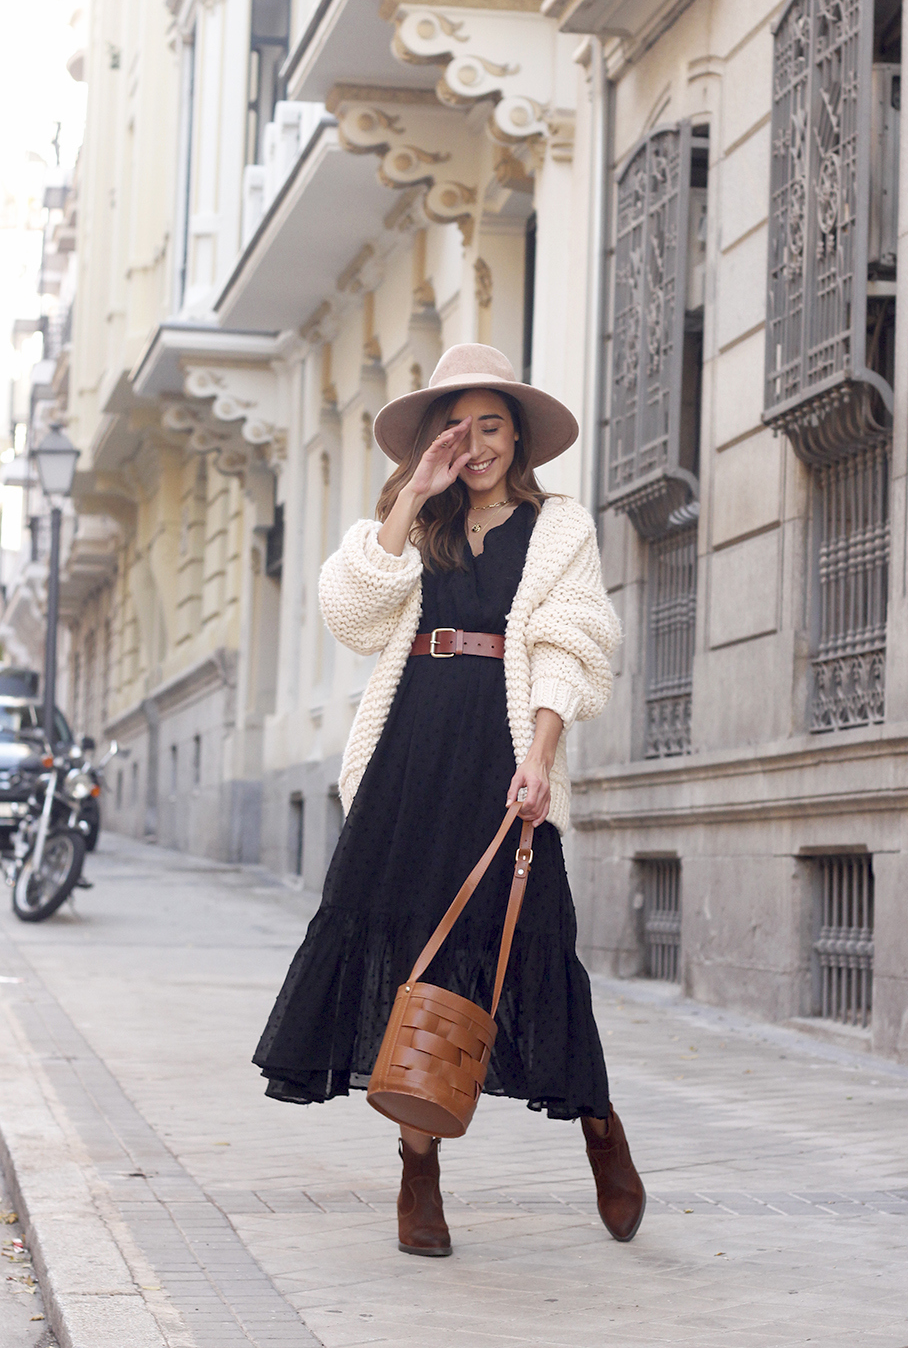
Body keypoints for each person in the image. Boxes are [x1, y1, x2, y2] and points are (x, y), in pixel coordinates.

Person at [253, 343, 645, 1256]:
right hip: (408, 755)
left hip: (503, 753)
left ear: (520, 436)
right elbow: (350, 617)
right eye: (457, 428)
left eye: (493, 425)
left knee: (536, 949)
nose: (476, 444)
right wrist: (408, 497)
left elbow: (572, 644)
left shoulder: (558, 529)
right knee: (405, 957)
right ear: (436, 437)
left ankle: (600, 1125)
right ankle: (418, 1168)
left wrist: (540, 757)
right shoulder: (411, 525)